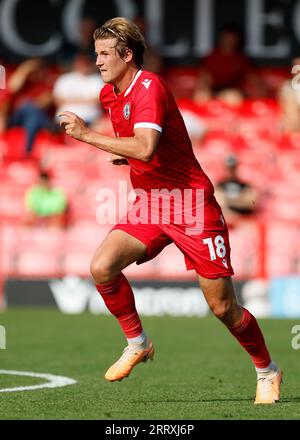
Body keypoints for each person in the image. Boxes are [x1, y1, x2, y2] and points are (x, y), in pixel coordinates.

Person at [58, 17, 282, 404]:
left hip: (190, 204)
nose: (97, 61)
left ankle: (267, 369)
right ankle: (138, 342)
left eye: (105, 54)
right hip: (151, 203)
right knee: (102, 266)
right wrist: (121, 156)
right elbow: (143, 149)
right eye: (96, 54)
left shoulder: (151, 87)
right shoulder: (110, 94)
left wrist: (87, 136)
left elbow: (144, 146)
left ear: (127, 55)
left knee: (222, 306)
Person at [53, 53, 104, 127]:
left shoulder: (98, 79)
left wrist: (71, 100)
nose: (82, 65)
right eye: (80, 62)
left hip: (90, 120)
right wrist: (86, 101)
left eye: (85, 63)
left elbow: (98, 100)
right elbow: (58, 100)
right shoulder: (64, 78)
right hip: (63, 120)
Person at [215, 154, 259, 227]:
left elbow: (251, 203)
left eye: (232, 167)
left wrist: (228, 201)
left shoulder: (244, 185)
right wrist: (239, 200)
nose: (230, 170)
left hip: (242, 220)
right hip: (225, 220)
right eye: (229, 168)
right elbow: (218, 202)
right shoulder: (219, 184)